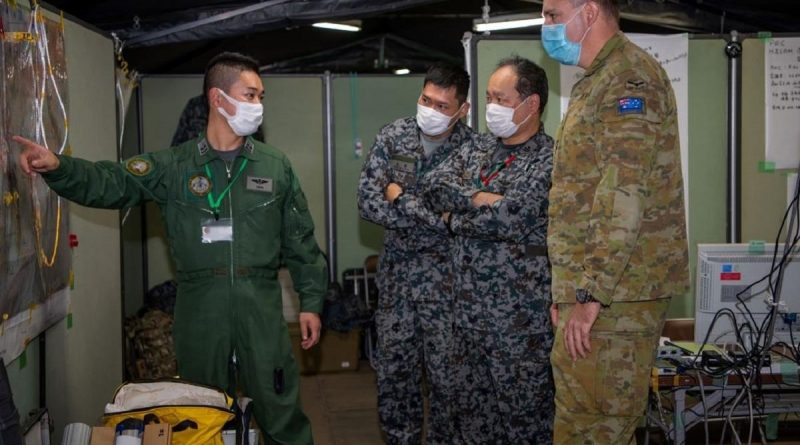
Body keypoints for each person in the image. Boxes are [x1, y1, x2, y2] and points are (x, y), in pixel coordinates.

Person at [14, 52, 326, 445]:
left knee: (281, 411)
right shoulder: (175, 166)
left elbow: (301, 239)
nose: (258, 105)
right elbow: (111, 182)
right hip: (200, 308)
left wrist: (311, 300)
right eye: (250, 95)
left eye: (261, 96)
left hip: (260, 304)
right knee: (202, 411)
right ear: (218, 98)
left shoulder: (274, 165)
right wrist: (58, 166)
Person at [541, 0, 689, 443]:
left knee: (595, 427)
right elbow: (581, 195)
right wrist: (567, 292)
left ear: (587, 12)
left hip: (614, 296)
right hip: (597, 293)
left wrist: (589, 294)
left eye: (552, 14)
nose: (545, 25)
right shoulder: (596, 81)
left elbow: (622, 196)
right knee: (580, 417)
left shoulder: (628, 78)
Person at [424, 56, 554, 444]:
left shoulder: (550, 159)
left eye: (500, 98)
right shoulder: (478, 147)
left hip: (518, 326)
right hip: (464, 318)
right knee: (470, 424)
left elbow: (514, 216)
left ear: (530, 105)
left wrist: (456, 216)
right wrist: (484, 198)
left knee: (525, 424)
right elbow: (434, 188)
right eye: (488, 97)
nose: (491, 108)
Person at [356, 62, 473, 445]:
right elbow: (367, 202)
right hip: (397, 289)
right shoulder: (394, 136)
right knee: (394, 381)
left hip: (449, 291)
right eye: (426, 99)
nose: (431, 110)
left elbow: (462, 218)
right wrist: (432, 218)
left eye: (442, 105)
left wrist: (402, 200)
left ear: (462, 110)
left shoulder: (475, 151)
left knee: (448, 387)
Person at [171, 94, 265, 146]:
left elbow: (258, 143)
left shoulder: (245, 107)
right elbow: (178, 144)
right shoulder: (196, 105)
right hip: (197, 168)